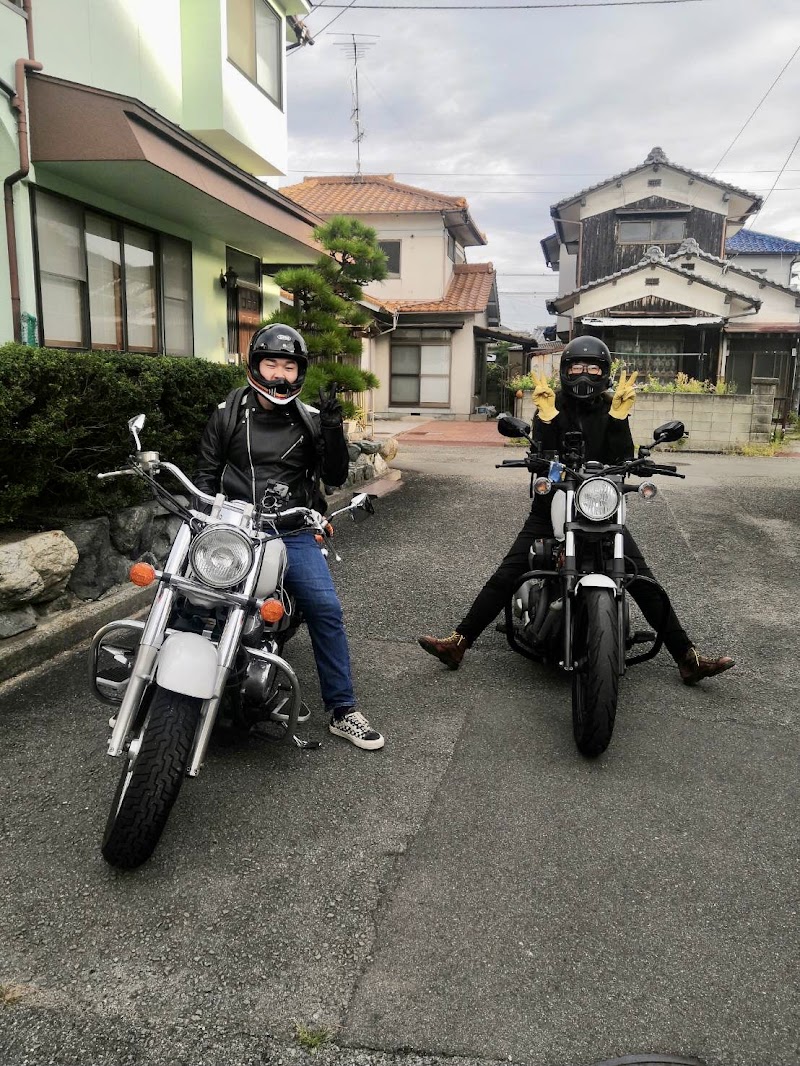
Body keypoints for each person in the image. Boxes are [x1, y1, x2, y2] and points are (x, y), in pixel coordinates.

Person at [419, 336, 735, 687]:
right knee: (509, 571)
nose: (584, 374)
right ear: (565, 370)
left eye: (593, 367)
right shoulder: (552, 404)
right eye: (576, 367)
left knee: (644, 581)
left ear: (604, 372)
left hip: (598, 507)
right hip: (553, 504)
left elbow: (620, 461)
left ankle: (687, 658)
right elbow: (542, 459)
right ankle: (459, 642)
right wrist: (547, 417)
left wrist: (619, 417)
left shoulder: (610, 407)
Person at [195, 324, 384, 750]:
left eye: (290, 365)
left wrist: (335, 428)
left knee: (326, 609)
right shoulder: (228, 411)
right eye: (271, 363)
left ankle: (343, 709)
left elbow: (335, 477)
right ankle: (160, 688)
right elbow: (206, 473)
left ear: (300, 372)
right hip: (235, 525)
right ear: (255, 365)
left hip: (291, 529)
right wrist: (203, 519)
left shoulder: (312, 420)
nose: (281, 374)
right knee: (192, 597)